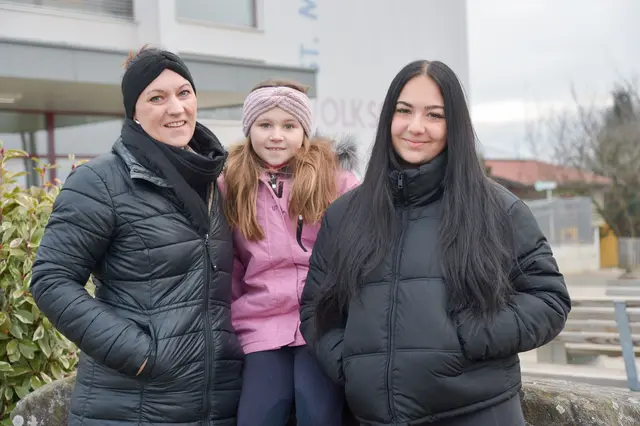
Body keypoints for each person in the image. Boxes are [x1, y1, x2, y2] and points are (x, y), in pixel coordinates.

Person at [300, 60, 572, 426]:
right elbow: (317, 308)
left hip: (479, 413)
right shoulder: (345, 214)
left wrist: (474, 337)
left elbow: (549, 299)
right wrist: (349, 363)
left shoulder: (497, 208)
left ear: (454, 124)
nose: (416, 126)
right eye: (404, 111)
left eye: (434, 114)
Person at [30, 46, 243, 425]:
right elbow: (51, 280)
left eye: (184, 93)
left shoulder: (217, 181)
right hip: (130, 406)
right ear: (134, 112)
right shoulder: (100, 181)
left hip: (214, 406)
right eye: (156, 98)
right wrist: (141, 354)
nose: (176, 108)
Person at [219, 79, 360, 425]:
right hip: (261, 322)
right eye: (265, 125)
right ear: (249, 129)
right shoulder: (231, 184)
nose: (276, 136)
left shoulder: (335, 181)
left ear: (304, 132)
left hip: (321, 320)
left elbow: (358, 248)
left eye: (289, 126)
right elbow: (229, 264)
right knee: (258, 414)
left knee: (317, 411)